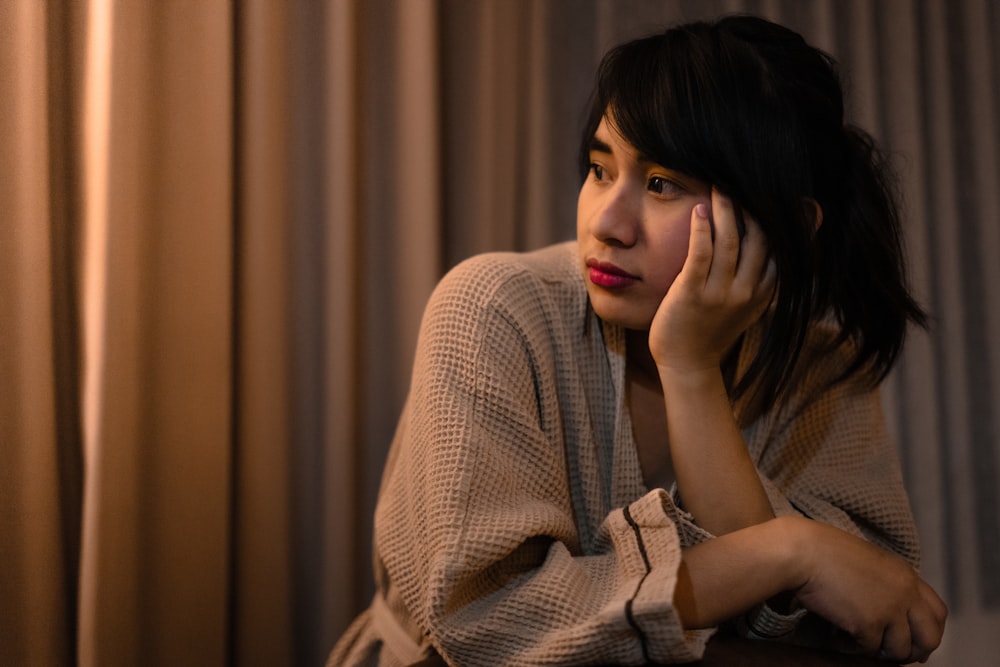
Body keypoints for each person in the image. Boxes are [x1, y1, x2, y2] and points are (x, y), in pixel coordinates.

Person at [329, 14, 946, 666]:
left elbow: (866, 619)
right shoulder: (493, 309)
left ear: (786, 223)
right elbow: (490, 622)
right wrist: (792, 548)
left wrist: (690, 368)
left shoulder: (822, 370)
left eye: (660, 184)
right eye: (599, 169)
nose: (608, 223)